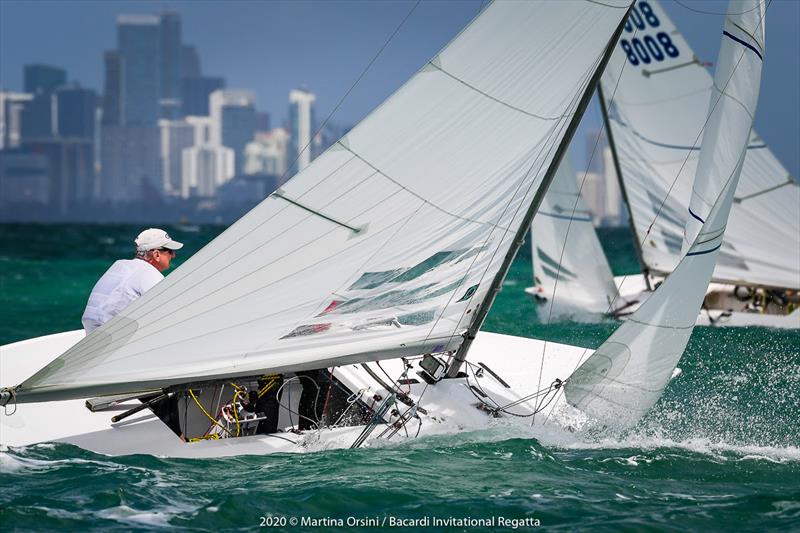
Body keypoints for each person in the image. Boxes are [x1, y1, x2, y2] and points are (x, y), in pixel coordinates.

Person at [81, 228, 183, 334]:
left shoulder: (119, 265)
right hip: (114, 340)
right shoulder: (148, 273)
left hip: (92, 334)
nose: (174, 255)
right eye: (170, 251)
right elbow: (171, 308)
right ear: (156, 254)